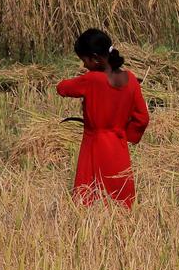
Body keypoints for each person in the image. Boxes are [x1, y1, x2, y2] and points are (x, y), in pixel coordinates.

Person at [57, 29, 150, 207]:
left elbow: (62, 88)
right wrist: (127, 135)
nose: (84, 65)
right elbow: (143, 118)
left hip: (95, 144)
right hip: (119, 145)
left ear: (94, 58)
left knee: (89, 196)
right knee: (121, 199)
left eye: (84, 60)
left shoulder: (92, 79)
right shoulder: (131, 79)